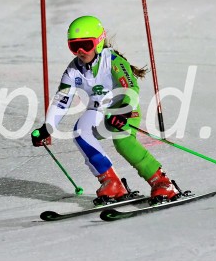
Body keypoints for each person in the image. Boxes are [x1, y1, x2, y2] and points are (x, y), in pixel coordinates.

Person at [31, 15, 179, 202]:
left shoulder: (113, 61)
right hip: (99, 112)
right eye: (74, 46)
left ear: (99, 42)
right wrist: (47, 128)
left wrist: (123, 111)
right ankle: (111, 183)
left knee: (122, 140)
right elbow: (62, 101)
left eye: (86, 44)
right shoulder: (73, 70)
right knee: (80, 132)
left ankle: (161, 182)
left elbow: (131, 88)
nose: (81, 51)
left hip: (124, 108)